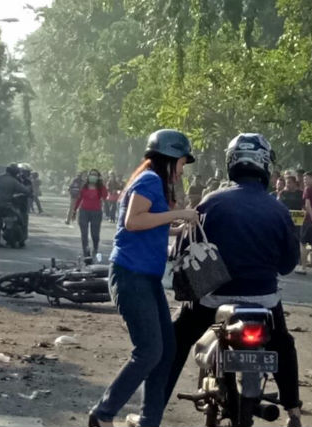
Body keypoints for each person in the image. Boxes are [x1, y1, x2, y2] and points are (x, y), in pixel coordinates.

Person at [162, 133, 303, 427]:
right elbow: (289, 264)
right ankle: (293, 411)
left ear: (231, 163)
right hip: (263, 304)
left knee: (177, 338)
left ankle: (154, 408)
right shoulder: (278, 209)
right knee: (283, 343)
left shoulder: (211, 203)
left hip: (213, 304)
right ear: (264, 166)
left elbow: (184, 249)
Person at [88, 129, 198, 427]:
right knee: (149, 351)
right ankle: (103, 413)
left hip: (146, 279)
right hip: (130, 276)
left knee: (167, 350)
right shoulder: (150, 180)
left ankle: (149, 421)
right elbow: (133, 221)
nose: (182, 169)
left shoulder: (155, 183)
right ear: (170, 158)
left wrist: (179, 228)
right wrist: (180, 215)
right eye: (182, 162)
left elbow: (150, 225)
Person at [72, 169, 108, 258]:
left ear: (98, 177)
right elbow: (79, 199)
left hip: (96, 212)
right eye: (91, 174)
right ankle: (86, 252)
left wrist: (102, 184)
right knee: (84, 234)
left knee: (95, 234)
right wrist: (74, 210)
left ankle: (95, 249)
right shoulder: (84, 186)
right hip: (83, 211)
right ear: (88, 176)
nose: (93, 176)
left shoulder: (100, 187)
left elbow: (105, 196)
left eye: (95, 175)